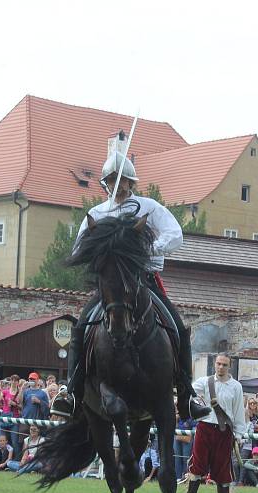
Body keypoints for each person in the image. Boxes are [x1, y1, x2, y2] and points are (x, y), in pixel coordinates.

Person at [66, 151, 211, 422]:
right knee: (82, 326)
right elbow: (79, 247)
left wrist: (145, 250)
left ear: (131, 182)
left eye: (121, 180)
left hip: (143, 282)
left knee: (177, 326)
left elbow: (175, 234)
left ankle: (187, 393)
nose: (116, 184)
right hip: (109, 287)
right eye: (111, 179)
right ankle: (71, 391)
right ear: (105, 183)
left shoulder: (149, 207)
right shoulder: (96, 213)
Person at [185, 354, 245, 493]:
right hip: (204, 428)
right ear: (215, 364)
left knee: (222, 470)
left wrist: (239, 434)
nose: (221, 367)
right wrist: (195, 404)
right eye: (218, 364)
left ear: (229, 366)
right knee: (197, 467)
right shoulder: (205, 381)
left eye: (224, 365)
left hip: (224, 431)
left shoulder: (236, 386)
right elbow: (188, 393)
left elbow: (239, 411)